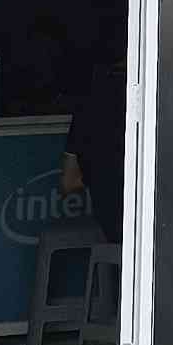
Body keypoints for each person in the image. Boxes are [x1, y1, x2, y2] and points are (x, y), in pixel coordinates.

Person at [61, 41, 129, 240]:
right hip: (159, 230)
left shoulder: (88, 104)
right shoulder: (155, 96)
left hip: (113, 230)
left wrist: (100, 178)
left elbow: (69, 183)